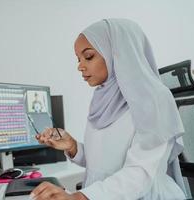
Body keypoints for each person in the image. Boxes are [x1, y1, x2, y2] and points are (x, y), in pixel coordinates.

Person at [31, 19, 186, 200]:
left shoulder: (155, 98)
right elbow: (104, 165)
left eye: (88, 56)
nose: (80, 66)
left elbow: (140, 174)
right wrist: (73, 147)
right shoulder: (103, 98)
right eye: (78, 59)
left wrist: (78, 197)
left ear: (118, 53)